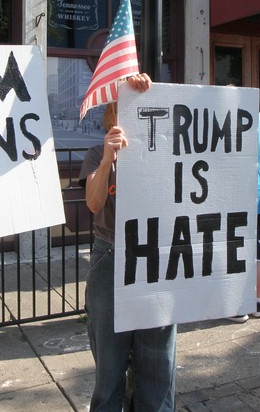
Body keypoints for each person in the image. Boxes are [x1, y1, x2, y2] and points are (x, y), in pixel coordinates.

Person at [79, 73, 177, 411]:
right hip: (111, 257)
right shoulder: (96, 153)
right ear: (111, 117)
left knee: (157, 363)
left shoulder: (166, 151)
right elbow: (93, 203)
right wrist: (108, 160)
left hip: (157, 257)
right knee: (109, 367)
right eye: (126, 110)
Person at [230, 111, 260, 323]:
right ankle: (259, 302)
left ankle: (240, 307)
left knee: (237, 249)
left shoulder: (235, 117)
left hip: (243, 193)